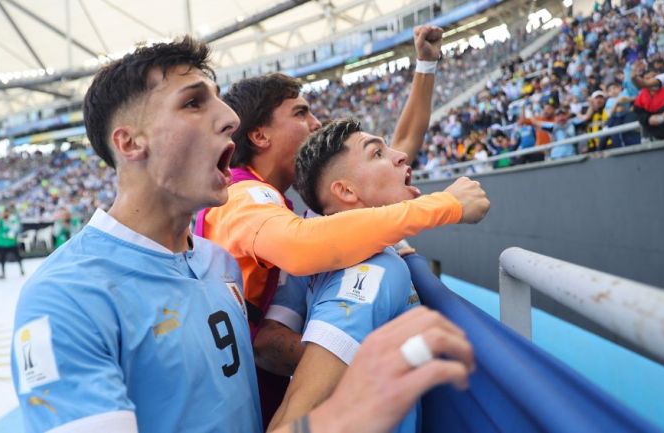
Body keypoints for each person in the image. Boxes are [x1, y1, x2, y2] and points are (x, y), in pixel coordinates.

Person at [11, 36, 474, 433]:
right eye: (193, 102)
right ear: (130, 143)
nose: (229, 117)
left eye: (218, 99)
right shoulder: (62, 300)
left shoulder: (217, 263)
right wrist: (342, 409)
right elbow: (299, 252)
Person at [197, 25, 489, 424]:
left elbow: (393, 157)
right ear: (259, 135)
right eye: (301, 112)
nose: (316, 123)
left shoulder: (288, 206)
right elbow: (302, 248)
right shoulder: (244, 195)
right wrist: (446, 206)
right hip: (253, 403)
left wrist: (424, 66)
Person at [268, 119, 473, 431]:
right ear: (347, 191)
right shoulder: (371, 271)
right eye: (377, 153)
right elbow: (291, 420)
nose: (400, 156)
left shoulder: (357, 255)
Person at [0, 207, 24, 279]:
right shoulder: (0, 221)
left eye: (6, 212)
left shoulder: (13, 220)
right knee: (2, 259)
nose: (5, 214)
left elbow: (17, 228)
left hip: (11, 242)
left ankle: (22, 270)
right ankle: (3, 273)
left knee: (18, 256)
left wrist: (12, 232)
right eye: (4, 213)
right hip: (2, 243)